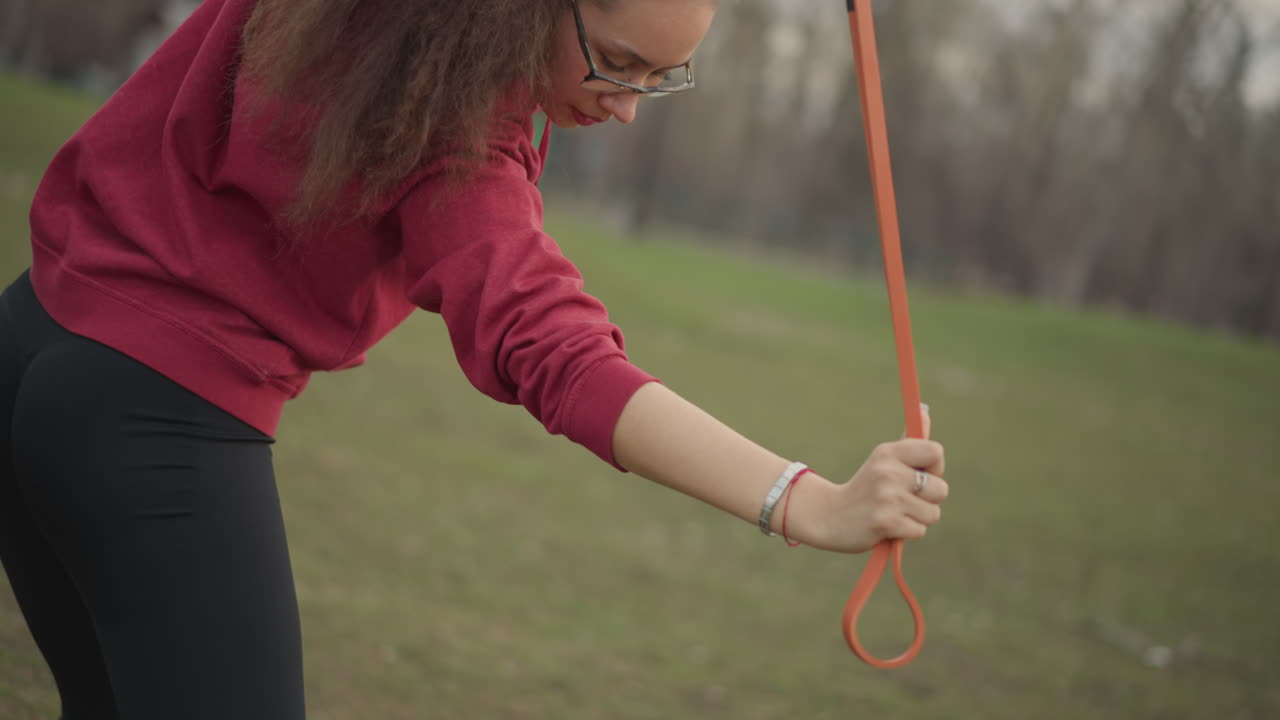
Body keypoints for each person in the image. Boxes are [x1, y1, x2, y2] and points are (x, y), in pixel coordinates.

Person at [0, 0, 950, 717]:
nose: (627, 110)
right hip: (148, 426)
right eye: (618, 65)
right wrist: (807, 501)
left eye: (665, 78)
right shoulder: (452, 132)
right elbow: (558, 352)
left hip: (30, 342)